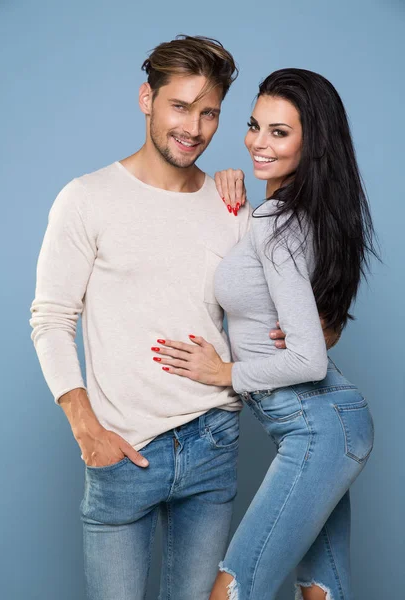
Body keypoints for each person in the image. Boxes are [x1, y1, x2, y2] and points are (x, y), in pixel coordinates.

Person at [151, 68, 377, 600]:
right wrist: (233, 186)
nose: (257, 141)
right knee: (323, 588)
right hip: (328, 425)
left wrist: (224, 371)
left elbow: (309, 360)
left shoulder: (280, 222)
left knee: (234, 589)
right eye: (255, 126)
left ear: (312, 142)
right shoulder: (288, 215)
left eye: (279, 132)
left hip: (317, 427)